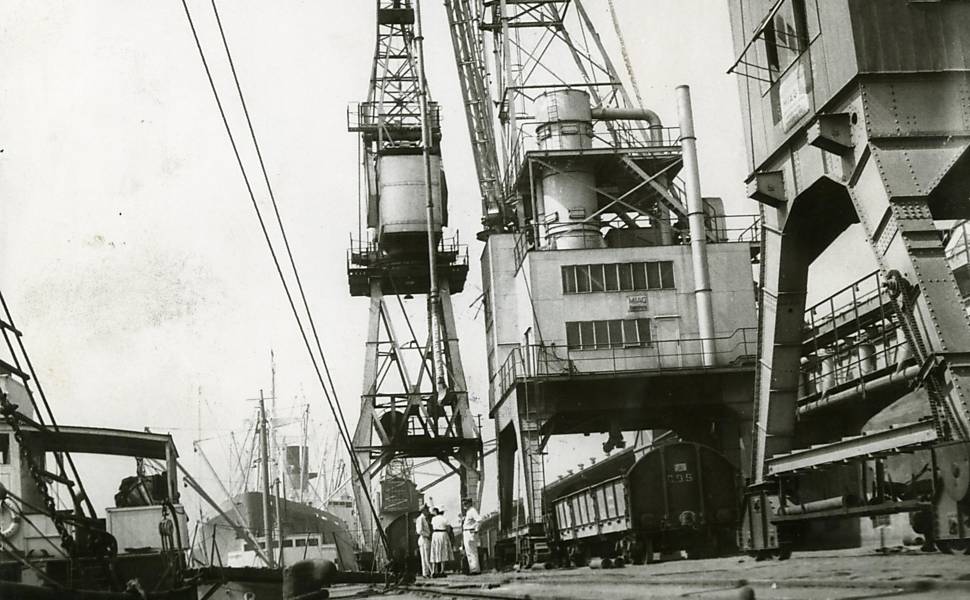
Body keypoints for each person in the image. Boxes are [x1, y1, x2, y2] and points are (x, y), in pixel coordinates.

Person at [461, 497, 481, 574]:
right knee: (469, 552)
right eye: (463, 504)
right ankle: (473, 569)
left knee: (472, 551)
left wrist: (475, 529)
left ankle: (475, 569)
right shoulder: (469, 511)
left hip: (469, 532)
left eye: (466, 503)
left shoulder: (472, 511)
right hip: (467, 532)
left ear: (470, 503)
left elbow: (479, 520)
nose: (464, 505)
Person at [430, 506, 450, 577]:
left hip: (435, 535)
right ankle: (442, 570)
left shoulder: (433, 519)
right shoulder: (445, 519)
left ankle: (433, 571)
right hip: (443, 534)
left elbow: (432, 527)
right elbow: (448, 529)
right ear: (443, 512)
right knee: (443, 552)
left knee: (434, 552)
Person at [415, 506, 432, 578]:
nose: (428, 511)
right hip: (424, 539)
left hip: (427, 539)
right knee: (425, 557)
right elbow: (419, 531)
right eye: (427, 510)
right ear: (423, 511)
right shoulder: (420, 519)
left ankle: (427, 572)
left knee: (427, 556)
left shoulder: (425, 519)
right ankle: (427, 572)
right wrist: (427, 535)